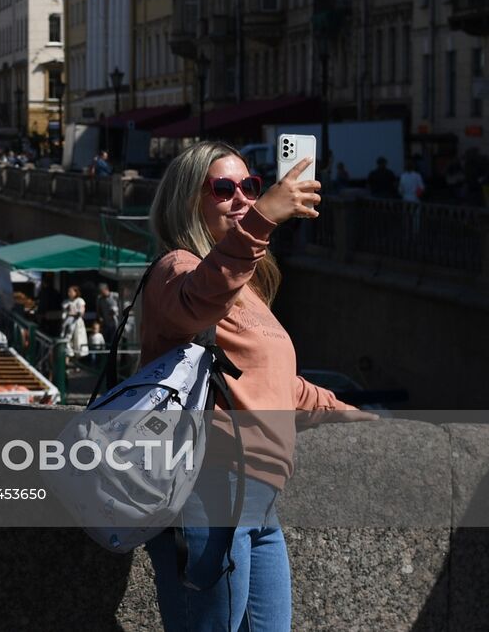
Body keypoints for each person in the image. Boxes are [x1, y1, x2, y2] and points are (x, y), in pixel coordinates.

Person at [141, 140, 366, 631]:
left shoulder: (248, 290)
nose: (241, 198)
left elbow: (278, 384)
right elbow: (198, 301)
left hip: (259, 499)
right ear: (188, 200)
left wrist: (348, 413)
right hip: (206, 488)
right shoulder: (176, 270)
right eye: (224, 189)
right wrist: (262, 219)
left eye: (251, 186)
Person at [61, 285, 87, 358]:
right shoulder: (66, 302)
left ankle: (77, 359)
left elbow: (81, 312)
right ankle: (69, 356)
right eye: (68, 291)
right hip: (67, 322)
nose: (69, 293)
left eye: (71, 291)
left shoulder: (80, 301)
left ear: (76, 292)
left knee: (78, 341)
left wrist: (73, 313)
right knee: (67, 339)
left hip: (76, 323)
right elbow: (64, 313)